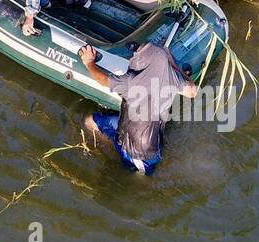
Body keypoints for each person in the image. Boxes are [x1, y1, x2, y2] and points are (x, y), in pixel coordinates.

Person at [78, 42, 197, 174]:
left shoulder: (131, 81)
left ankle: (115, 146)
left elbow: (103, 79)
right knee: (92, 121)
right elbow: (192, 92)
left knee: (89, 122)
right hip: (151, 140)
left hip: (141, 154)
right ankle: (116, 141)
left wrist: (89, 63)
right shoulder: (172, 78)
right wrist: (173, 63)